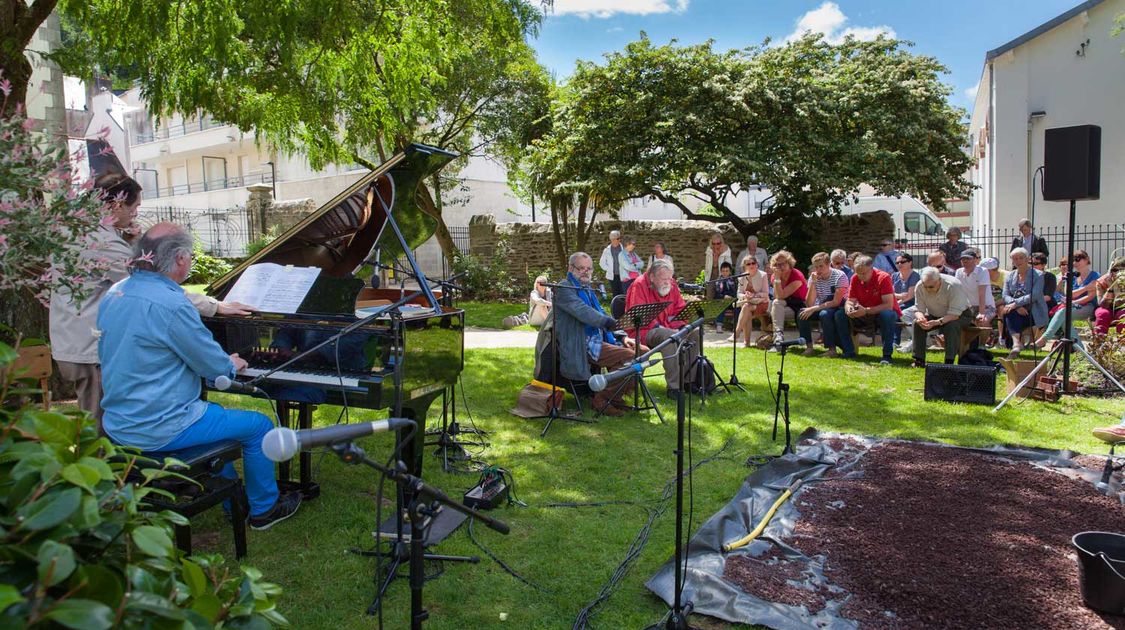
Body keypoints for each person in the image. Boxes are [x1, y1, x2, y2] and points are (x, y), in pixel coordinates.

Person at [97, 223, 301, 530]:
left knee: (218, 421)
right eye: (190, 256)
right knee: (259, 426)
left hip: (119, 421)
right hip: (160, 425)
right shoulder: (172, 304)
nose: (191, 261)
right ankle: (264, 510)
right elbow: (215, 368)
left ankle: (234, 501)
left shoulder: (115, 293)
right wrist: (229, 361)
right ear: (180, 259)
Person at [49, 174, 251, 423]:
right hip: (90, 348)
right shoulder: (100, 241)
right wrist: (216, 305)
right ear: (116, 205)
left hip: (77, 342)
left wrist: (132, 241)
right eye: (134, 207)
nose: (135, 214)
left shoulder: (81, 230)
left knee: (105, 422)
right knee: (99, 430)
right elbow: (154, 286)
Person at [538, 252, 637, 415]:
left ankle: (615, 396)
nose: (586, 272)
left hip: (597, 339)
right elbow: (582, 311)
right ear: (571, 268)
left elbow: (601, 312)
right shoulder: (564, 288)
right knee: (630, 357)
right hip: (580, 343)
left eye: (589, 268)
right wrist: (607, 323)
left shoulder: (587, 289)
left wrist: (621, 335)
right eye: (581, 268)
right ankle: (601, 399)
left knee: (643, 352)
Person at [625, 259, 700, 397]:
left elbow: (680, 311)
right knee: (669, 337)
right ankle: (674, 388)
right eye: (663, 278)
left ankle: (689, 382)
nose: (668, 282)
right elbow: (640, 316)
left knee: (695, 332)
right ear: (652, 277)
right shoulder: (639, 285)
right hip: (643, 331)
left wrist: (681, 327)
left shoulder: (671, 285)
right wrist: (670, 330)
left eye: (669, 278)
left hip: (667, 329)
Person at [1034, 249, 1100, 348]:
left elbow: (1090, 297)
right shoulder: (1072, 276)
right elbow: (1069, 294)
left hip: (1088, 306)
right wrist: (1086, 288)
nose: (1075, 262)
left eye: (1078, 259)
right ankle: (1080, 349)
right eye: (1073, 260)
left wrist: (1073, 301)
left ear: (1086, 259)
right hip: (1073, 306)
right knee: (1064, 320)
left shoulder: (1095, 275)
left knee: (1062, 312)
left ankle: (1045, 339)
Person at [910, 266, 973, 367]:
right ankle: (919, 360)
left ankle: (949, 361)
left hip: (960, 315)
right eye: (925, 286)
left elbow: (954, 315)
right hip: (935, 314)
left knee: (951, 325)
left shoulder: (953, 285)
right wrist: (920, 317)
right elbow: (918, 309)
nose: (927, 289)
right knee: (917, 324)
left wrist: (936, 322)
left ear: (939, 280)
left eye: (931, 287)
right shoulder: (920, 286)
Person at [845, 256, 901, 365]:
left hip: (881, 313)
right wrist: (849, 309)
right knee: (840, 314)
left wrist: (865, 311)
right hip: (864, 312)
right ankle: (849, 351)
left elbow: (888, 305)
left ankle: (887, 355)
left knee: (887, 315)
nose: (860, 276)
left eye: (864, 273)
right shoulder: (855, 278)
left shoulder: (883, 277)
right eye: (858, 272)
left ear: (872, 269)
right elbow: (850, 300)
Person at [799, 252, 850, 357]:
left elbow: (836, 302)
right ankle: (809, 347)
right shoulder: (814, 278)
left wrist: (814, 308)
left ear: (829, 264)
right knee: (802, 313)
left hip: (839, 306)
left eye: (821, 266)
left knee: (824, 314)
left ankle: (832, 349)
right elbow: (809, 303)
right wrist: (813, 283)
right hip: (822, 305)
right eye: (816, 267)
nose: (818, 270)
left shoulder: (840, 276)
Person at [999, 248, 1047, 359]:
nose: (1018, 260)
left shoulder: (1038, 275)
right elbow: (1005, 295)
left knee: (1011, 308)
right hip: (1016, 310)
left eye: (1021, 258)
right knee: (1008, 311)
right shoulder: (1009, 276)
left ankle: (1023, 344)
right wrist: (1016, 306)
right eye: (1015, 258)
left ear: (1027, 259)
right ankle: (1017, 344)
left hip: (1034, 310)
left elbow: (1034, 295)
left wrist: (1015, 304)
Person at [768, 251, 808, 347]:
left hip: (800, 305)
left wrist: (777, 279)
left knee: (776, 305)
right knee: (776, 303)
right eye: (777, 264)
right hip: (785, 304)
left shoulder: (796, 275)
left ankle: (777, 339)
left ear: (789, 263)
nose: (780, 267)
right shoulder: (775, 276)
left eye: (783, 264)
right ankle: (778, 335)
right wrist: (777, 278)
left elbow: (781, 295)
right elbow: (777, 296)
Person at [734, 256, 770, 347]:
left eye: (753, 263)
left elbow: (766, 293)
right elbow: (739, 293)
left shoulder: (763, 275)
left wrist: (754, 295)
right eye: (748, 264)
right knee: (746, 310)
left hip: (762, 303)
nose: (751, 265)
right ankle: (746, 342)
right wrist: (745, 296)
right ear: (745, 266)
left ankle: (737, 333)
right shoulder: (742, 277)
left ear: (757, 265)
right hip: (748, 303)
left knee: (746, 307)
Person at [956, 249, 995, 328]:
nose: (965, 261)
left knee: (982, 321)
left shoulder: (983, 271)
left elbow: (981, 294)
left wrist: (981, 313)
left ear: (975, 259)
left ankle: (986, 339)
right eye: (963, 259)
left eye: (968, 259)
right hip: (969, 308)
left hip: (987, 306)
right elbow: (958, 292)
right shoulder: (958, 272)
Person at [892, 252, 920, 349]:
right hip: (898, 303)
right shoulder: (894, 276)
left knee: (896, 312)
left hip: (911, 303)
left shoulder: (915, 276)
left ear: (910, 262)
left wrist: (897, 301)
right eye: (897, 262)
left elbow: (910, 296)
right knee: (891, 313)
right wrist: (900, 296)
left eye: (902, 262)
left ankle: (897, 340)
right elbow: (891, 294)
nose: (899, 264)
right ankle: (894, 341)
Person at [1092, 258, 1125, 335]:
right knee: (1103, 314)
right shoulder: (1102, 281)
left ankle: (1122, 342)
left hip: (1122, 308)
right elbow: (1101, 304)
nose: (1117, 273)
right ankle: (1099, 341)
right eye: (1115, 270)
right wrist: (1111, 288)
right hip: (1107, 307)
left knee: (1123, 315)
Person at [702, 232, 732, 299]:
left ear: (721, 242)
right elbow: (707, 266)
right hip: (711, 277)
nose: (716, 246)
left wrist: (720, 256)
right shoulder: (709, 250)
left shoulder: (726, 250)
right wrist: (715, 261)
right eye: (713, 244)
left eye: (718, 243)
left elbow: (728, 266)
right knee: (709, 297)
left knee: (721, 298)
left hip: (722, 278)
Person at [713, 262, 739, 333]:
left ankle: (736, 325)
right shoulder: (718, 281)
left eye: (727, 271)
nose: (725, 273)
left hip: (731, 300)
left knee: (738, 305)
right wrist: (724, 296)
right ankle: (719, 326)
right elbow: (717, 293)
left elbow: (736, 291)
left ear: (730, 272)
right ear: (721, 272)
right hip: (722, 300)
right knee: (722, 305)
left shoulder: (733, 280)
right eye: (723, 271)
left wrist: (732, 297)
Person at [598, 230, 625, 296]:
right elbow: (602, 263)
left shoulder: (624, 248)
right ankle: (616, 306)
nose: (619, 240)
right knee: (615, 293)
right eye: (617, 238)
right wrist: (609, 269)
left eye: (619, 238)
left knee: (624, 293)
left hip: (624, 275)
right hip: (613, 276)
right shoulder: (607, 250)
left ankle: (624, 306)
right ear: (612, 239)